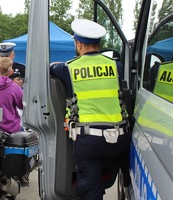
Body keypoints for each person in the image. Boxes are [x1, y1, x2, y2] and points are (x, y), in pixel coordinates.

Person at [50, 19, 131, 200]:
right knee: (128, 178)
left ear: (78, 44)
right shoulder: (115, 65)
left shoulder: (68, 68)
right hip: (120, 140)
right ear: (99, 44)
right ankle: (127, 181)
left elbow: (52, 69)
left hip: (89, 142)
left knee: (89, 190)